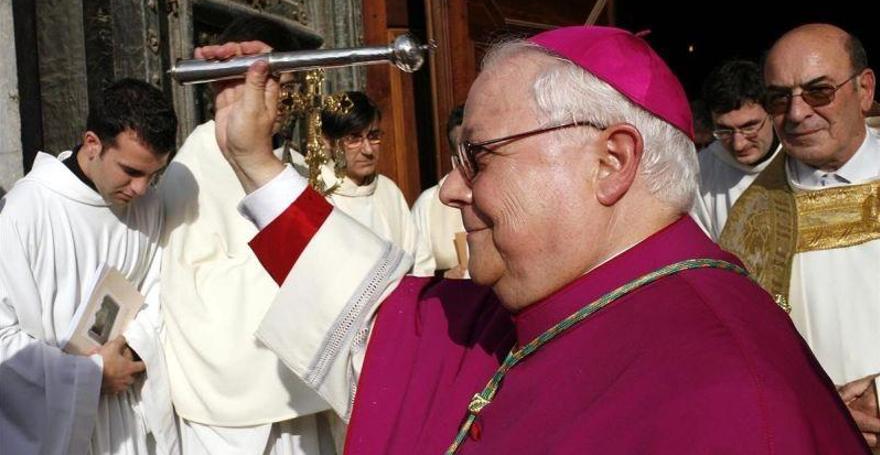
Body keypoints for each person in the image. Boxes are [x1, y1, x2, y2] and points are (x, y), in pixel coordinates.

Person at [205, 25, 869, 453]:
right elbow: (365, 327)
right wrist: (253, 157)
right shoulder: (552, 303)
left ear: (610, 162)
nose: (452, 191)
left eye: (482, 156)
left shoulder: (727, 399)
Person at [158, 15, 340, 455]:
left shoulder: (294, 165)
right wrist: (294, 275)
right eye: (281, 86)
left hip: (300, 394)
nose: (288, 103)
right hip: (230, 420)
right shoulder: (196, 163)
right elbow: (185, 292)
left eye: (291, 88)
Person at [719, 23, 880, 447]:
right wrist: (814, 409)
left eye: (818, 92)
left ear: (864, 90)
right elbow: (734, 354)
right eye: (779, 98)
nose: (796, 113)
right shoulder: (751, 216)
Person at [0, 79, 178, 454]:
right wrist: (90, 375)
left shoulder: (149, 207)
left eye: (154, 175)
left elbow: (162, 293)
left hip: (126, 416)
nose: (141, 189)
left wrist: (131, 351)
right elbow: (3, 338)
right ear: (93, 143)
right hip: (52, 422)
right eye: (130, 170)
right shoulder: (25, 211)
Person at [318, 91, 435, 276]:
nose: (368, 150)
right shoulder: (318, 196)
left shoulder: (388, 191)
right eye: (353, 138)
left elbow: (420, 261)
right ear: (328, 142)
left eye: (373, 136)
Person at [691, 60, 780, 239]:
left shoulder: (800, 158)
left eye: (749, 127)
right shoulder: (701, 171)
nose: (738, 144)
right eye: (724, 130)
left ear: (772, 113)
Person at [411, 105, 468, 278]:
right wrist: (443, 280)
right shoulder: (428, 204)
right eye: (465, 150)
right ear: (454, 160)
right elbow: (419, 274)